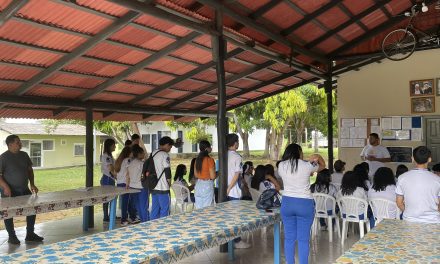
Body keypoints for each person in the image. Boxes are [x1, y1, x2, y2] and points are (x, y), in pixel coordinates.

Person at [278, 144, 325, 264]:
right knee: (303, 240)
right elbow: (322, 166)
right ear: (299, 153)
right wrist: (317, 156)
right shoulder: (307, 165)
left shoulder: (281, 166)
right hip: (304, 204)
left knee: (289, 238)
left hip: (287, 203)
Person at [0, 135, 44, 245]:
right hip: (9, 191)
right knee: (9, 213)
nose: (21, 144)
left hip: (24, 189)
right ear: (10, 144)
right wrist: (5, 187)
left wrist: (32, 184)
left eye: (20, 142)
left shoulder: (24, 155)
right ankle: (12, 236)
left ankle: (30, 234)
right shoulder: (3, 158)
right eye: (18, 142)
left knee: (32, 209)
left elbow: (30, 171)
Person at [396, 146, 440, 223]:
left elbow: (399, 203)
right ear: (429, 159)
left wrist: (410, 214)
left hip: (409, 221)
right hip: (433, 222)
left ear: (412, 158)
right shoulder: (437, 179)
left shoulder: (402, 178)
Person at [226, 133, 250, 249]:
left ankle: (229, 240)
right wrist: (230, 188)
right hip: (233, 191)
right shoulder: (237, 157)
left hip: (224, 191)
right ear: (235, 143)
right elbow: (237, 174)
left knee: (228, 217)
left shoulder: (223, 156)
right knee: (236, 218)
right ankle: (237, 241)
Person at [150, 136, 174, 220]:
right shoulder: (164, 154)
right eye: (170, 147)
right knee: (165, 210)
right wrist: (169, 182)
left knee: (154, 210)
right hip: (163, 187)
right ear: (167, 145)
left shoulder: (153, 153)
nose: (170, 149)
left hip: (153, 186)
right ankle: (163, 229)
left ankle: (152, 228)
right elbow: (167, 170)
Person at [114, 146, 137, 226]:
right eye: (131, 152)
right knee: (126, 202)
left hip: (119, 183)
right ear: (128, 153)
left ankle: (132, 217)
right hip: (125, 184)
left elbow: (115, 174)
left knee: (127, 202)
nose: (132, 154)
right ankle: (123, 219)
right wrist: (128, 184)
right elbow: (128, 173)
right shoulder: (127, 160)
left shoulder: (119, 160)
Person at [126, 145, 149, 222]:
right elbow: (146, 174)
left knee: (138, 205)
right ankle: (145, 221)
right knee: (143, 206)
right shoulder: (141, 164)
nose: (144, 155)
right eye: (143, 153)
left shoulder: (131, 163)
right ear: (139, 154)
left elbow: (128, 175)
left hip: (132, 187)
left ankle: (143, 221)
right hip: (141, 186)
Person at [194, 140, 216, 209]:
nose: (211, 148)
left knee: (199, 208)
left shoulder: (197, 160)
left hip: (198, 185)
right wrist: (217, 173)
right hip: (207, 185)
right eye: (210, 147)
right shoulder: (209, 160)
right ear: (206, 148)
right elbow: (212, 176)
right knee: (207, 209)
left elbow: (196, 175)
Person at [100, 138, 116, 223]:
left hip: (111, 178)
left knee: (111, 198)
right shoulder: (106, 156)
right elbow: (110, 168)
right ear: (110, 146)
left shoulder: (110, 156)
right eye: (114, 145)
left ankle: (111, 215)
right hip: (107, 179)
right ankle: (106, 217)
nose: (115, 147)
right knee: (106, 199)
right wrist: (116, 175)